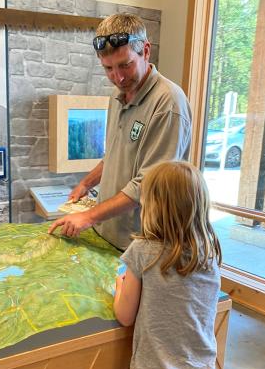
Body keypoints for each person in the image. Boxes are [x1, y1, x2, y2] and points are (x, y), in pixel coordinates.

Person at [48, 13, 192, 250]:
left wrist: (89, 217)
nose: (118, 77)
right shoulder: (117, 96)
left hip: (141, 245)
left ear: (145, 51)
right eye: (108, 68)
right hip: (107, 234)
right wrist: (85, 184)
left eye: (125, 65)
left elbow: (148, 185)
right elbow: (114, 155)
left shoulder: (168, 104)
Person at [114, 160, 223, 369]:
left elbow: (125, 315)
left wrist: (119, 287)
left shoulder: (143, 251)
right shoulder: (208, 250)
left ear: (152, 206)